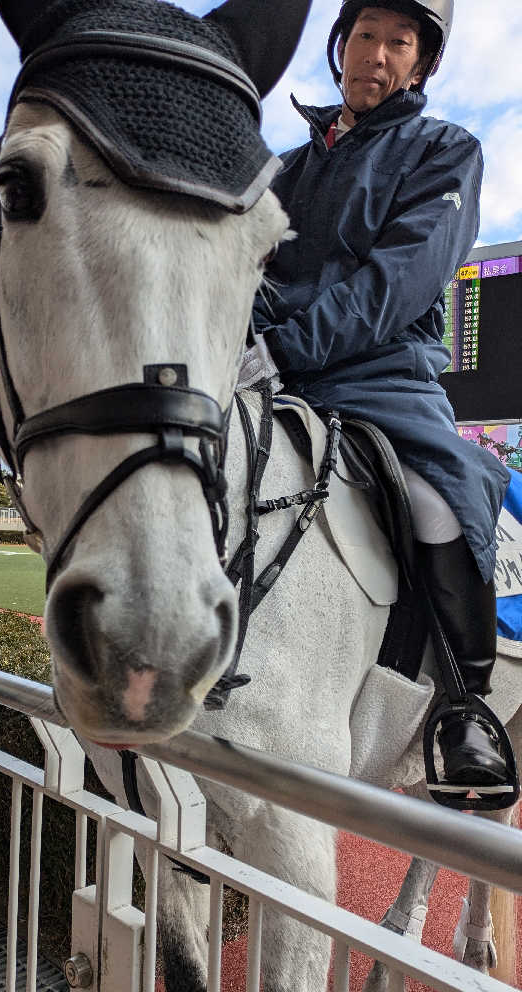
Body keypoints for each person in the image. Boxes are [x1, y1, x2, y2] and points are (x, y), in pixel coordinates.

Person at [241, 0, 513, 796]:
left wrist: (284, 346)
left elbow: (399, 281)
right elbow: (246, 266)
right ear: (342, 43)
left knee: (436, 497)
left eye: (400, 42)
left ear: (421, 64)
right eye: (366, 35)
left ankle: (466, 712)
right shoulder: (284, 170)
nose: (378, 54)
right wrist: (243, 335)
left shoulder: (447, 151)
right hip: (269, 367)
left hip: (381, 375)